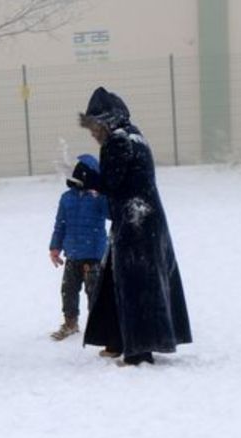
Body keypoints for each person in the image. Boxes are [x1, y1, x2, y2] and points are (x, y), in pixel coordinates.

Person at [78, 86, 191, 365]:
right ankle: (116, 339)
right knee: (118, 279)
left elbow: (112, 185)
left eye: (94, 126)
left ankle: (139, 350)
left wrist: (85, 177)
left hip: (135, 222)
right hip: (145, 218)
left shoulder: (117, 140)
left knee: (135, 282)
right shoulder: (135, 135)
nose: (93, 132)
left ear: (106, 120)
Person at [48, 154, 108, 341]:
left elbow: (111, 213)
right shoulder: (67, 198)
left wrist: (103, 194)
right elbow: (60, 224)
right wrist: (55, 247)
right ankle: (70, 322)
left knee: (94, 292)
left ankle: (98, 325)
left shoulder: (99, 198)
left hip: (94, 255)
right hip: (72, 254)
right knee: (68, 290)